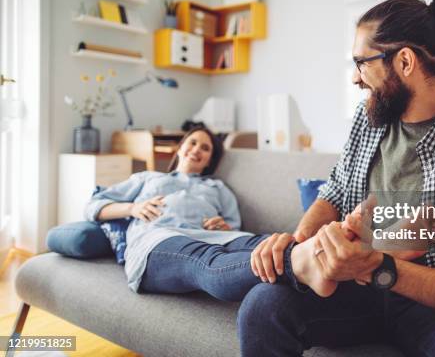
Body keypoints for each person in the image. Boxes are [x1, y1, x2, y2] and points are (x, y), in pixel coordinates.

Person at [244, 0, 435, 356]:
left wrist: (375, 264)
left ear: (404, 62)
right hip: (355, 295)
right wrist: (305, 245)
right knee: (263, 305)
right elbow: (335, 192)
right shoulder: (369, 117)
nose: (355, 78)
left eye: (361, 63)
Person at [84, 126, 339, 300]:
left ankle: (326, 254)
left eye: (204, 148)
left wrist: (223, 226)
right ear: (180, 148)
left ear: (209, 160)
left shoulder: (217, 188)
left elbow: (234, 226)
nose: (196, 150)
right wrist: (132, 208)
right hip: (158, 239)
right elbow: (94, 205)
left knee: (262, 242)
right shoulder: (147, 178)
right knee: (207, 260)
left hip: (214, 237)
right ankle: (302, 264)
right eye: (192, 143)